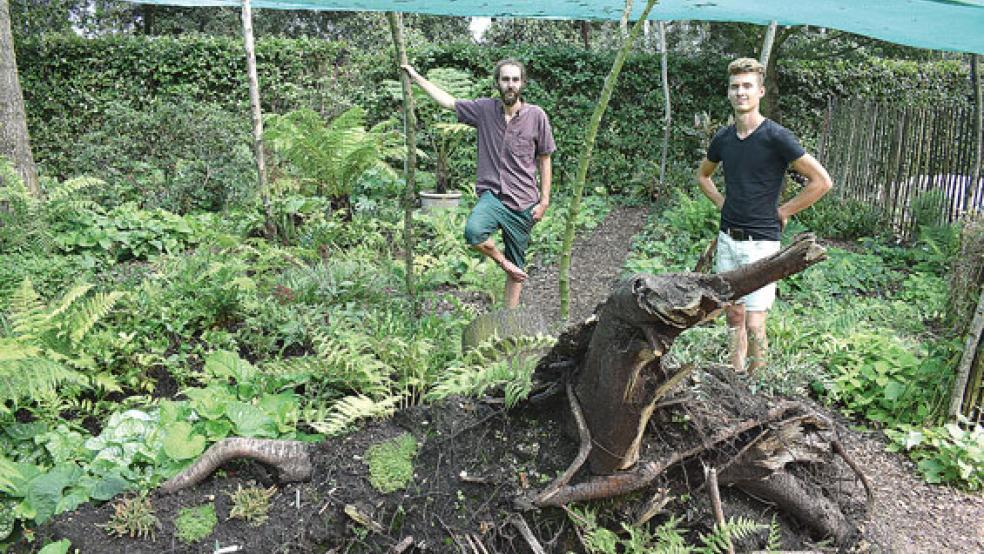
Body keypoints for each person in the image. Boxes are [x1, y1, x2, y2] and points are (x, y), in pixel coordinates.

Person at [696, 57, 833, 373]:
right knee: (733, 314)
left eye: (747, 86)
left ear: (759, 92)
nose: (740, 92)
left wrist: (784, 210)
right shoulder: (724, 138)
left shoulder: (777, 137)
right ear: (729, 93)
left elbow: (822, 181)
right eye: (735, 87)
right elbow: (703, 176)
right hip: (728, 239)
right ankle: (736, 375)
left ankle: (757, 388)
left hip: (762, 244)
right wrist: (721, 203)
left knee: (756, 323)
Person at [401, 59, 556, 309]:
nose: (510, 85)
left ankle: (509, 319)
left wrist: (544, 201)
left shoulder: (536, 116)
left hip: (525, 202)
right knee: (474, 232)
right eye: (505, 79)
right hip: (493, 196)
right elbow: (448, 101)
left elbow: (545, 158)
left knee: (517, 269)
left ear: (523, 84)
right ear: (497, 83)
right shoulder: (484, 110)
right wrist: (416, 77)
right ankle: (502, 262)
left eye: (515, 80)